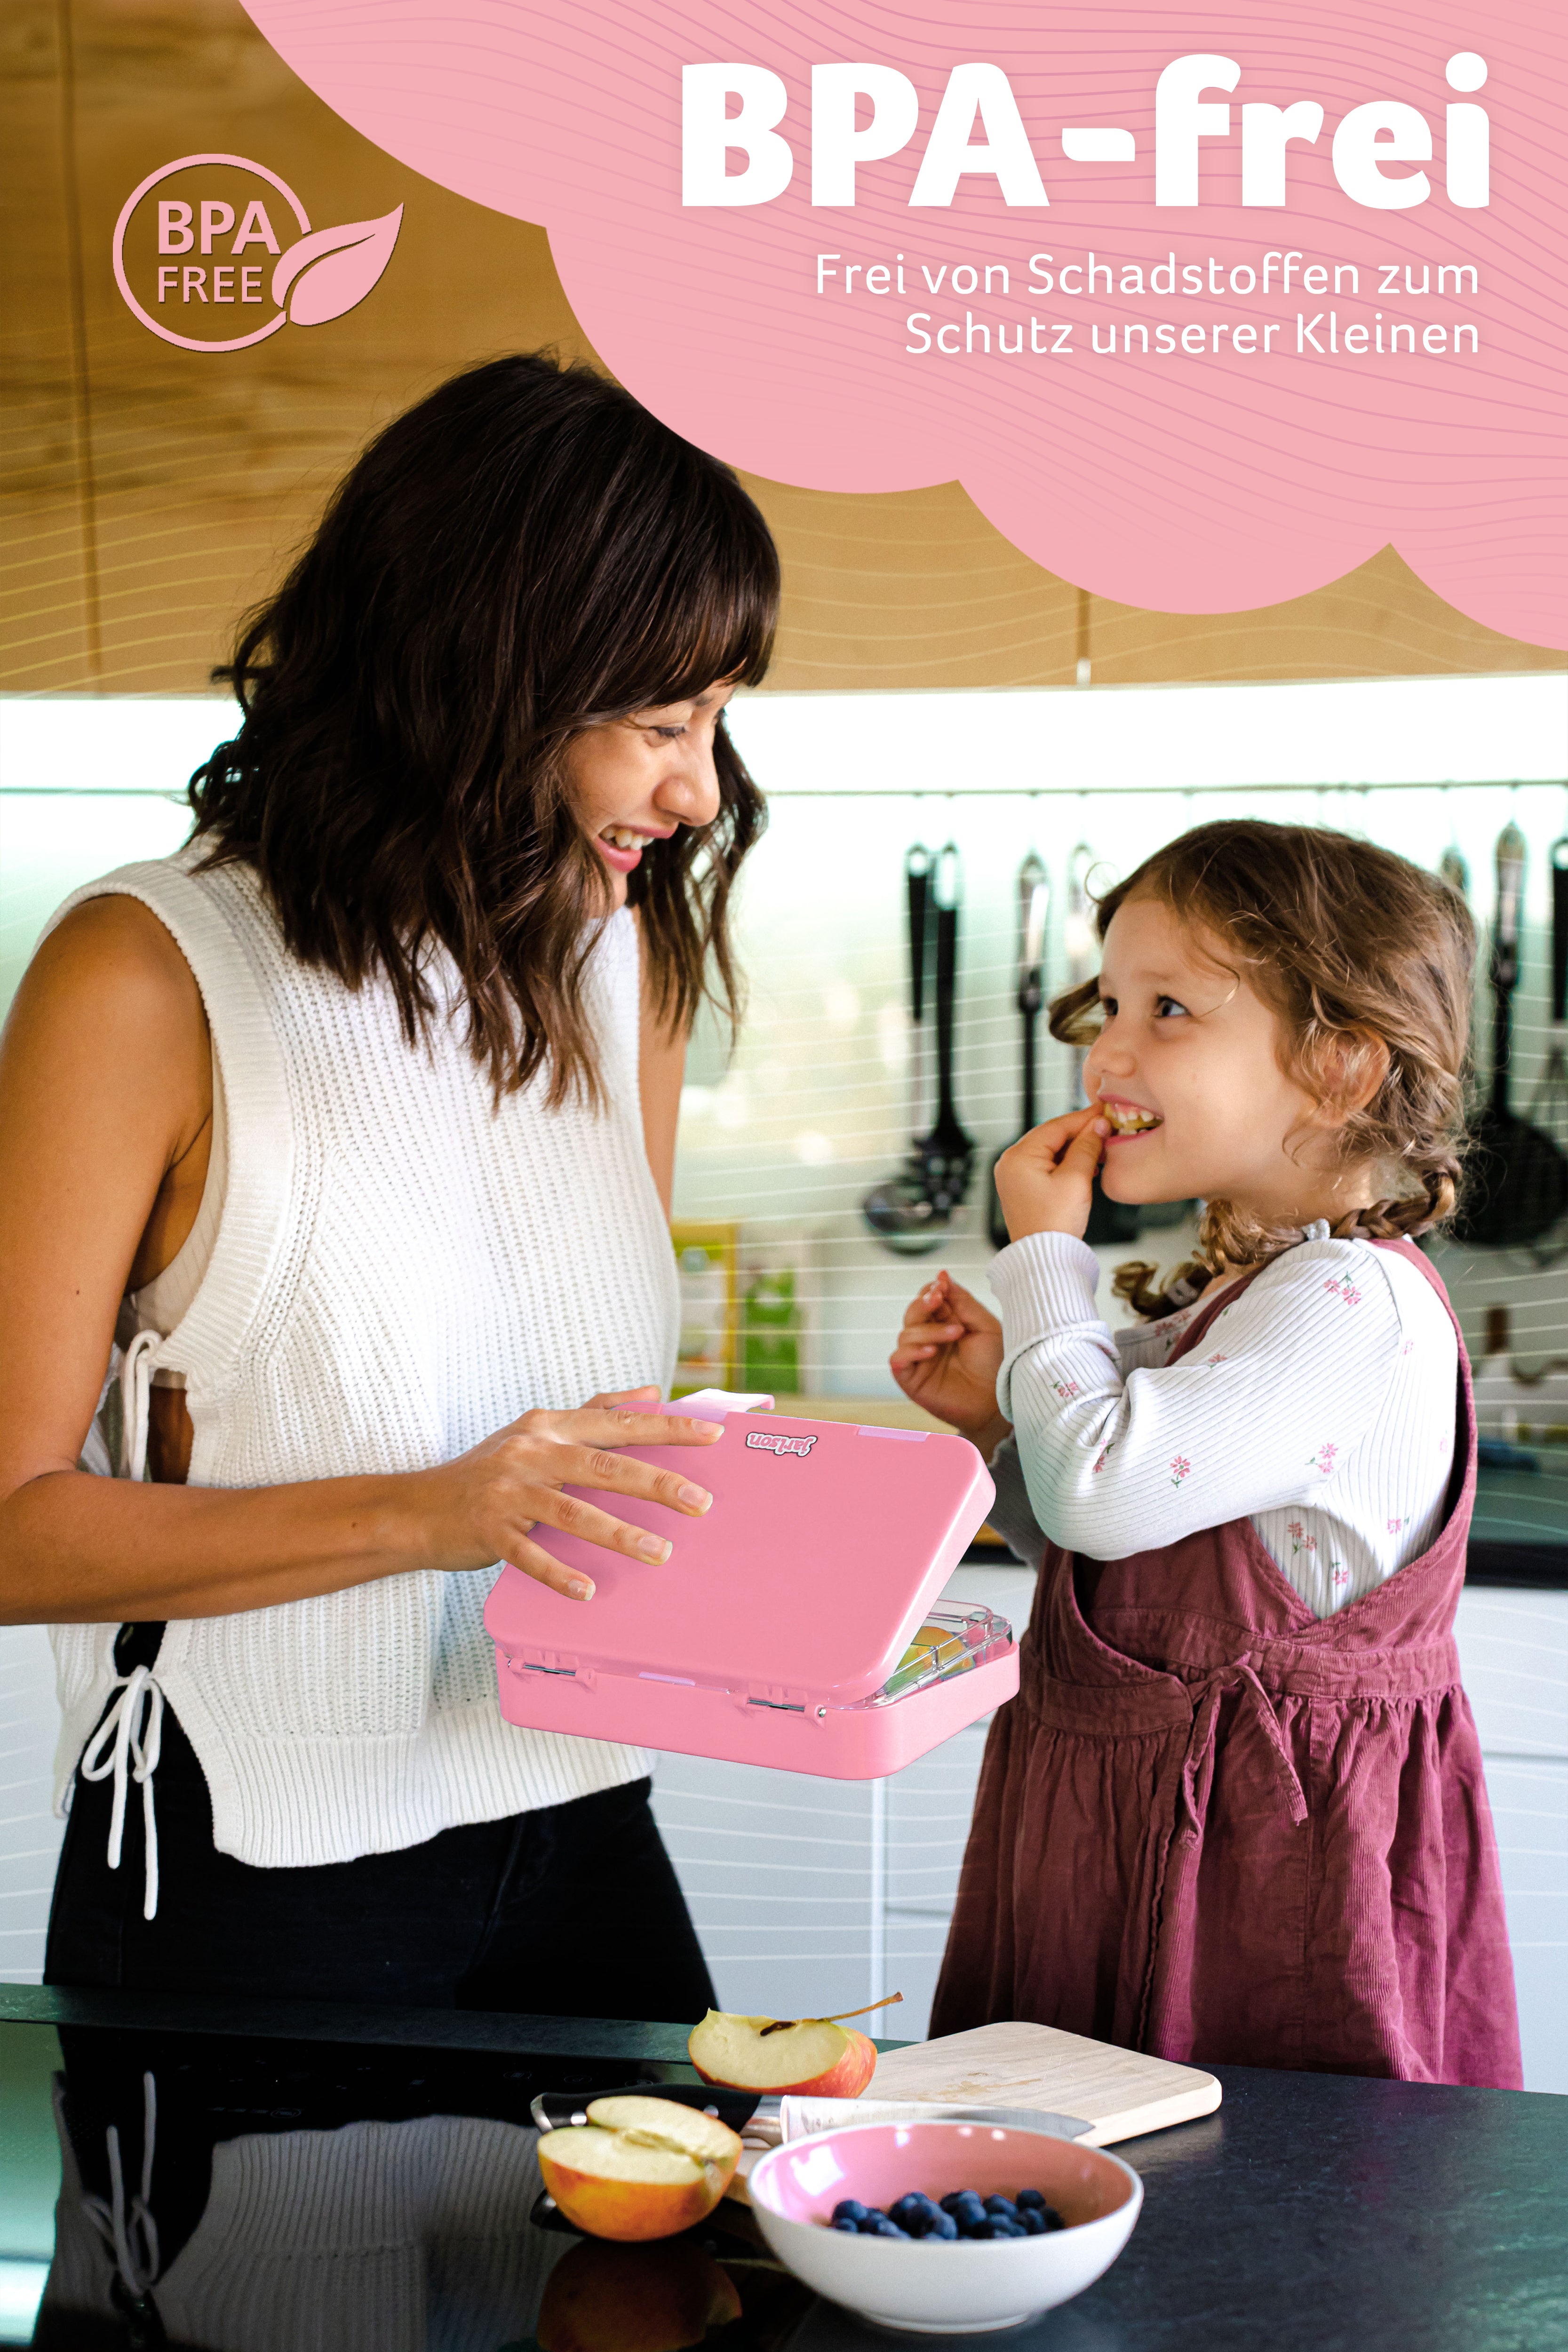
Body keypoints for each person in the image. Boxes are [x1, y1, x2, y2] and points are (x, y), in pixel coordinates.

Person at [0, 352, 780, 2017]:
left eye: (716, 720)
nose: (699, 788)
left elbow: (593, 1449)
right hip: (253, 1871)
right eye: (659, 721)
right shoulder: (146, 979)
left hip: (580, 1816)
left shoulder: (611, 961)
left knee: (673, 2281)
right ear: (483, 676)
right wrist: (429, 1517)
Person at [891, 819, 1521, 2087]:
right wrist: (1001, 1421)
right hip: (1131, 1848)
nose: (1108, 1050)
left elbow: (1105, 1491)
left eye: (1168, 1008)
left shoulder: (1353, 1305)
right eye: (1107, 1004)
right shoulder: (1258, 1299)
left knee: (1256, 2222)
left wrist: (1047, 1266)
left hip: (1263, 1895)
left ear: (1341, 1065)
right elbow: (1091, 1533)